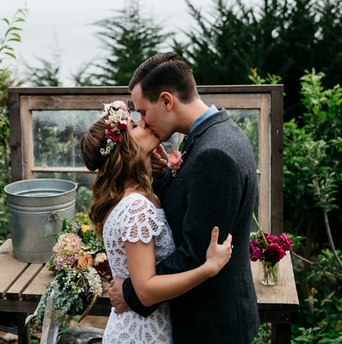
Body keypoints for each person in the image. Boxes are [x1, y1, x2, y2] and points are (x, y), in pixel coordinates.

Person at [109, 52, 260, 344]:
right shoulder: (215, 133)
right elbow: (193, 208)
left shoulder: (213, 154)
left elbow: (195, 253)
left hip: (211, 326)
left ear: (167, 101)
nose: (142, 121)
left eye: (142, 111)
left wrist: (132, 291)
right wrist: (165, 177)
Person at [80, 101, 233, 344]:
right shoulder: (135, 207)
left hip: (147, 327)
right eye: (135, 125)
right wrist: (208, 269)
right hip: (141, 334)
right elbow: (146, 291)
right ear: (123, 147)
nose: (145, 123)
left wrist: (160, 175)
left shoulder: (139, 194)